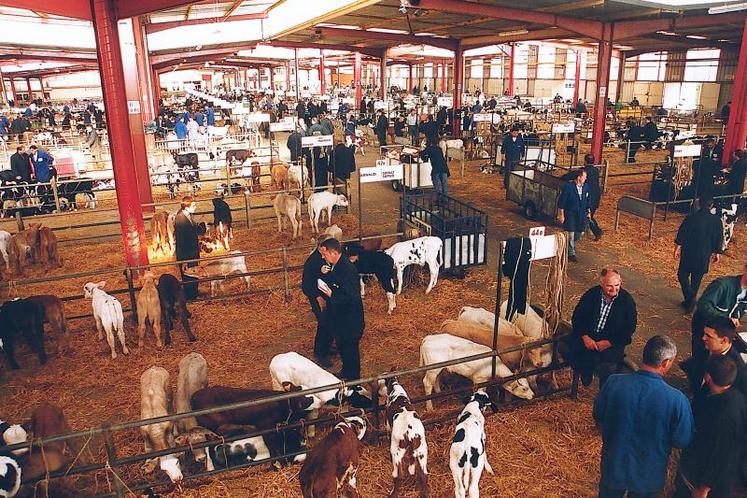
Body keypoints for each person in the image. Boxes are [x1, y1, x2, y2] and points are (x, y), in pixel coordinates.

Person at [593, 335, 693, 498]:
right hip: (647, 474)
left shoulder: (613, 383)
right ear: (666, 363)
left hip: (613, 465)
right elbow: (681, 439)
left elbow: (598, 414)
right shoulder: (677, 399)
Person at [674, 355, 747, 498]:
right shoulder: (737, 397)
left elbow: (722, 454)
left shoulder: (725, 416)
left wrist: (705, 487)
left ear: (708, 377)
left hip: (703, 478)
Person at [560, 268, 638, 387]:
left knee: (608, 367)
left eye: (617, 285)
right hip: (589, 337)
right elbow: (577, 317)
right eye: (609, 286)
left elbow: (629, 328)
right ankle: (585, 372)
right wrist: (585, 337)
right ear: (601, 283)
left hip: (611, 342)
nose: (614, 289)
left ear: (620, 282)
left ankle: (604, 390)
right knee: (564, 346)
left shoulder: (627, 301)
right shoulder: (592, 294)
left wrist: (609, 342)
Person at [318, 238, 364, 380]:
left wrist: (332, 294)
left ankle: (353, 379)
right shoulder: (337, 266)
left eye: (324, 254)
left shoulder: (347, 269)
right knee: (343, 348)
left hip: (350, 320)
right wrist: (325, 275)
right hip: (341, 320)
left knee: (350, 350)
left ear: (333, 253)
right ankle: (346, 372)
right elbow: (336, 282)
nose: (322, 257)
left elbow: (351, 296)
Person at [674, 197, 723, 312]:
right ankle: (691, 300)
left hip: (689, 252)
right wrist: (717, 252)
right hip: (704, 254)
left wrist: (677, 247)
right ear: (712, 206)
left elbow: (682, 233)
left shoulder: (691, 217)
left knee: (682, 275)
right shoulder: (716, 221)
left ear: (699, 204)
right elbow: (719, 238)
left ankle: (689, 298)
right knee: (696, 279)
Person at [691, 263, 747, 362]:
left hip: (722, 334)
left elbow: (739, 312)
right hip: (704, 329)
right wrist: (724, 318)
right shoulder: (722, 285)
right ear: (745, 269)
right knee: (700, 358)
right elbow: (703, 304)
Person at [682, 317, 747, 398]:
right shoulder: (703, 346)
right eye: (704, 333)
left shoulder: (739, 370)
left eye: (708, 336)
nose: (703, 338)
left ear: (724, 340)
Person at [302, 238, 334, 367]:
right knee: (324, 323)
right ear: (320, 246)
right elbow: (307, 284)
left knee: (328, 322)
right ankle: (321, 354)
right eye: (326, 247)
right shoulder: (313, 261)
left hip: (324, 295)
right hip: (316, 297)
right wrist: (317, 297)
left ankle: (325, 348)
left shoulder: (322, 258)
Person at [557, 169, 590, 262]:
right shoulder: (569, 187)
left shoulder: (586, 187)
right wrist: (561, 214)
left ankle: (567, 244)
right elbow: (562, 201)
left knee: (580, 233)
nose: (585, 179)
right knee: (570, 234)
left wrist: (588, 211)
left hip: (582, 214)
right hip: (571, 213)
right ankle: (571, 253)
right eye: (584, 177)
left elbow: (588, 199)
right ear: (579, 177)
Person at [174, 196, 200, 300]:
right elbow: (181, 241)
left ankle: (194, 294)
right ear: (186, 206)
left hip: (192, 252)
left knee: (194, 273)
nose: (195, 207)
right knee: (188, 275)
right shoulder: (180, 219)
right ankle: (190, 296)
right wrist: (184, 260)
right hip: (186, 253)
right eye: (193, 205)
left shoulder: (188, 216)